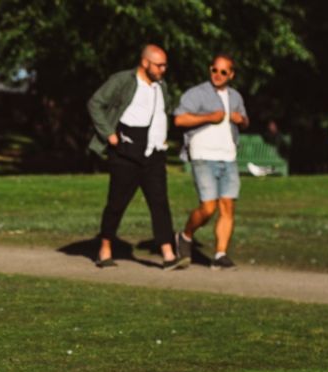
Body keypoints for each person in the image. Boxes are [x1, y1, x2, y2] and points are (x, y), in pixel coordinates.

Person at [87, 44, 179, 269]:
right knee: (117, 203)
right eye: (159, 65)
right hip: (127, 150)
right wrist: (109, 134)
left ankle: (168, 254)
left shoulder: (161, 86)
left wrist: (162, 136)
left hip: (154, 152)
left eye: (165, 64)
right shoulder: (122, 81)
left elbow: (163, 112)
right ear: (145, 62)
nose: (163, 69)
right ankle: (105, 248)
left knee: (159, 203)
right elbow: (95, 103)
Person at [173, 54, 249, 270]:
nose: (218, 75)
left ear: (231, 74)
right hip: (203, 155)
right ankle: (185, 236)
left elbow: (245, 120)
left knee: (227, 207)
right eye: (214, 70)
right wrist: (208, 117)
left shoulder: (235, 96)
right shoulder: (197, 93)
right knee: (208, 207)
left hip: (228, 156)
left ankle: (220, 255)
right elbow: (179, 119)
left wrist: (240, 120)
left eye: (223, 72)